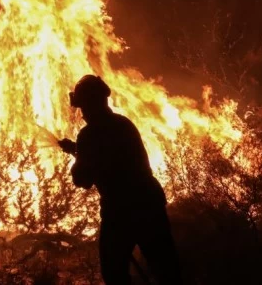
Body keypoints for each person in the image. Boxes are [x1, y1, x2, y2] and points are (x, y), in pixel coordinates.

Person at [59, 74, 181, 284]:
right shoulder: (124, 124)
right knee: (166, 269)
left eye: (83, 108)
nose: (82, 115)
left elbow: (83, 180)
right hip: (149, 203)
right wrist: (79, 152)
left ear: (90, 104)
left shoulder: (89, 135)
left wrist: (79, 156)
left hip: (120, 212)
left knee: (114, 273)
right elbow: (111, 158)